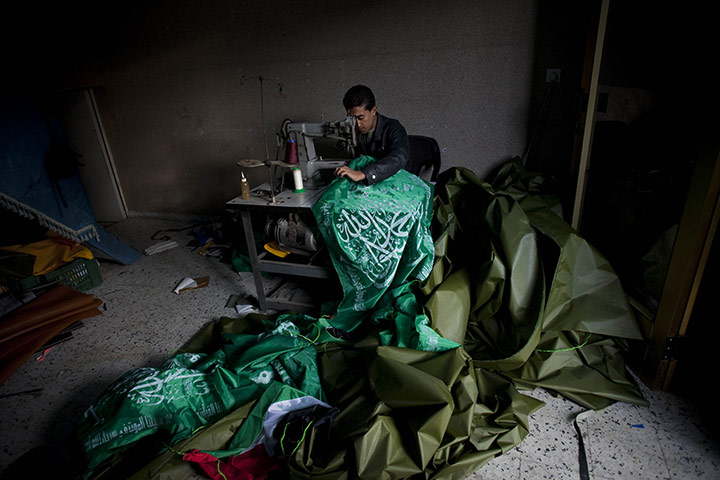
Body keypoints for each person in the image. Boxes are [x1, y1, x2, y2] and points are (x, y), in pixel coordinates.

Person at [334, 85, 410, 185]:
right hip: (369, 186)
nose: (357, 124)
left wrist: (363, 174)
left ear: (373, 110)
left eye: (361, 118)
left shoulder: (394, 128)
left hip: (396, 183)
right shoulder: (352, 131)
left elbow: (398, 158)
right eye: (352, 119)